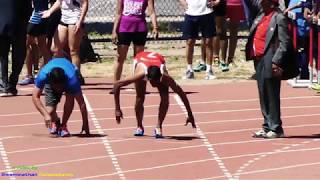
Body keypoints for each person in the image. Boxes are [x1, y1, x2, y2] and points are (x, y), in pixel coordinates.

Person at [113, 51, 196, 138]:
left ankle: (159, 126)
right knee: (140, 97)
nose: (154, 85)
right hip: (140, 59)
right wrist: (117, 109)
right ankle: (139, 126)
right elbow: (117, 85)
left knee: (165, 97)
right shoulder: (140, 74)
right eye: (152, 82)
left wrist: (190, 114)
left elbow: (181, 94)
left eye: (157, 82)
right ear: (147, 77)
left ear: (160, 77)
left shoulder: (165, 77)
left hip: (158, 60)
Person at [245, 0, 291, 138]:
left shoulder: (279, 17)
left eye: (264, 1)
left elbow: (284, 42)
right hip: (258, 59)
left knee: (271, 94)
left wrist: (276, 61)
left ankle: (276, 128)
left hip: (270, 61)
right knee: (263, 93)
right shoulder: (261, 16)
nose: (261, 3)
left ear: (271, 3)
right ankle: (267, 125)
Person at [32, 58, 90, 137]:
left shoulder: (72, 80)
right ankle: (56, 122)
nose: (59, 90)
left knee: (70, 99)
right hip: (52, 81)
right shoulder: (43, 76)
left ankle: (63, 125)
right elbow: (35, 96)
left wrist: (85, 122)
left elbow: (81, 103)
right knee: (50, 111)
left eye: (60, 87)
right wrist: (45, 115)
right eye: (56, 87)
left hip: (69, 76)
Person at [111, 0, 158, 93]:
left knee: (138, 59)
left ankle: (138, 86)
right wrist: (114, 30)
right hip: (124, 29)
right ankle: (116, 84)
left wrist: (155, 27)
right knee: (120, 57)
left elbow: (152, 12)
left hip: (140, 29)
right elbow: (118, 13)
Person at [42, 0, 89, 85]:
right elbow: (59, 2)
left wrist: (80, 20)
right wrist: (50, 11)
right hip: (64, 19)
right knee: (55, 49)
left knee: (73, 51)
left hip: (75, 19)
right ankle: (61, 74)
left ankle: (76, 77)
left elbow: (85, 3)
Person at [0, 0, 32, 96]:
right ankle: (5, 85)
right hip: (6, 26)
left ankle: (10, 84)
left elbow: (28, 9)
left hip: (19, 27)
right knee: (3, 57)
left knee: (18, 56)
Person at [179, 0, 216, 80]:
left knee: (208, 41)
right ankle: (189, 70)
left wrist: (216, 2)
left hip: (207, 13)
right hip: (190, 14)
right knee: (189, 41)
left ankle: (209, 70)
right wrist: (182, 2)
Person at [20, 0, 52, 85]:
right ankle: (44, 74)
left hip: (37, 16)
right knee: (42, 46)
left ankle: (31, 75)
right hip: (42, 16)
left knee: (26, 44)